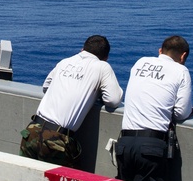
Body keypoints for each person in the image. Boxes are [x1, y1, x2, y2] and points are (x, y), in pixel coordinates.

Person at [20, 35, 123, 169]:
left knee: (25, 180)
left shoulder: (65, 61)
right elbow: (113, 100)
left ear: (82, 49)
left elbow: (46, 86)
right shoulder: (102, 67)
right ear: (105, 57)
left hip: (33, 129)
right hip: (57, 139)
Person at [115, 35, 193, 181]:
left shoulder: (140, 62)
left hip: (124, 144)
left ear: (160, 51)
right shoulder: (181, 70)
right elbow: (181, 113)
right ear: (183, 56)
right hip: (151, 147)